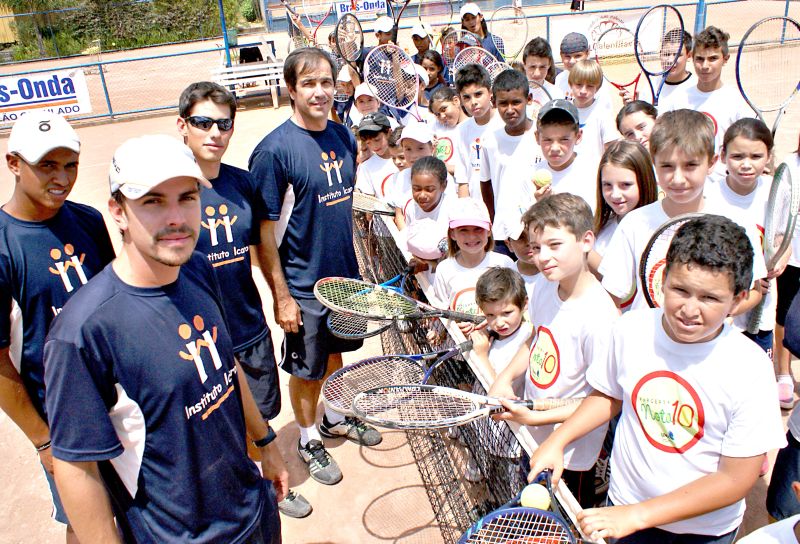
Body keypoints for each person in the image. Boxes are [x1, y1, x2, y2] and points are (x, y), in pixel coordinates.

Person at [44, 134, 288, 543]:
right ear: (118, 212)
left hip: (251, 510)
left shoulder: (197, 269)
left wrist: (266, 441)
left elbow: (225, 368)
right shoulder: (82, 332)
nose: (176, 217)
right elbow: (77, 466)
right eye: (153, 201)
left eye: (187, 197)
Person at [529, 214, 786, 542]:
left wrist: (638, 515)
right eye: (680, 290)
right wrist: (558, 440)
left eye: (710, 298)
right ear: (662, 279)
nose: (690, 309)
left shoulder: (749, 367)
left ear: (737, 300)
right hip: (622, 507)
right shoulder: (630, 329)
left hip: (701, 533)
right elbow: (608, 396)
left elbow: (735, 479)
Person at [176, 81, 311, 519]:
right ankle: (239, 494)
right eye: (202, 123)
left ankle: (267, 477)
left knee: (263, 412)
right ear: (183, 126)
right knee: (213, 426)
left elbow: (264, 245)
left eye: (223, 124)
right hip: (196, 338)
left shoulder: (242, 183)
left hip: (247, 326)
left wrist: (282, 298)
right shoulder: (169, 189)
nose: (214, 133)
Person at [248, 48, 382, 488]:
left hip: (344, 279)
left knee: (337, 355)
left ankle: (336, 418)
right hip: (303, 288)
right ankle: (308, 440)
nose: (321, 91)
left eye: (327, 82)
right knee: (306, 372)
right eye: (309, 83)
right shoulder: (272, 152)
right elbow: (264, 235)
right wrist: (282, 297)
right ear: (291, 89)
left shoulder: (344, 137)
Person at [0, 111, 115, 543]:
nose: (61, 177)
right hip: (63, 422)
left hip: (116, 402)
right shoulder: (3, 245)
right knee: (87, 526)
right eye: (47, 164)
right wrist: (43, 440)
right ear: (14, 163)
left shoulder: (87, 221)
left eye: (70, 164)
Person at [490, 193, 618, 508]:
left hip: (570, 458)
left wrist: (534, 417)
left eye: (554, 245)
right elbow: (536, 338)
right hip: (533, 433)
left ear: (586, 240)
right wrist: (506, 377)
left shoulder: (600, 317)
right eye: (535, 248)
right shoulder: (547, 285)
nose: (542, 257)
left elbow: (606, 402)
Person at [599, 109, 767, 314]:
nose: (677, 178)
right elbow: (611, 297)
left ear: (712, 163)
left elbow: (754, 291)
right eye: (667, 166)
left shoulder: (738, 221)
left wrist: (716, 316)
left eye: (690, 165)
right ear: (654, 163)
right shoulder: (634, 224)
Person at [705, 118, 784, 354]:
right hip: (722, 312)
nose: (746, 165)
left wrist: (779, 260)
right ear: (723, 155)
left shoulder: (776, 189)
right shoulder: (710, 195)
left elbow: (783, 236)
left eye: (756, 157)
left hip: (762, 311)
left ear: (768, 156)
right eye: (738, 157)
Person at [467, 266, 533, 491]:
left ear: (524, 304)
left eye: (507, 313)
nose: (499, 322)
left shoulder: (527, 339)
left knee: (508, 489)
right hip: (487, 427)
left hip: (511, 438)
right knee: (491, 479)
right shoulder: (492, 333)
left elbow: (499, 389)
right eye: (490, 315)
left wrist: (482, 355)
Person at [659, 26, 753, 178]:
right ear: (692, 58)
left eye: (713, 58)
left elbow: (752, 142)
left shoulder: (735, 101)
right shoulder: (679, 99)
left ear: (725, 59)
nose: (705, 66)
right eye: (700, 59)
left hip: (723, 183)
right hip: (686, 182)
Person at [479, 69, 542, 253]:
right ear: (494, 103)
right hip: (503, 234)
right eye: (503, 103)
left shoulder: (541, 138)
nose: (509, 109)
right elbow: (486, 185)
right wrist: (494, 220)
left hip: (537, 230)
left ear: (529, 99)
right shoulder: (490, 141)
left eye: (516, 102)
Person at [433, 197, 514, 320]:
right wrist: (454, 327)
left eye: (478, 229)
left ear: (489, 231)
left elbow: (516, 307)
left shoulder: (504, 263)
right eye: (463, 230)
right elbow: (441, 316)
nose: (471, 237)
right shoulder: (444, 269)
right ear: (452, 234)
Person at [589, 140, 658, 273]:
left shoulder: (653, 230)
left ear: (644, 181)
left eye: (625, 185)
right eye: (607, 185)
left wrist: (583, 249)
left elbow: (620, 285)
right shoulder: (603, 224)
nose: (615, 194)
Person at [533, 99, 598, 213]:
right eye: (547, 140)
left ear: (578, 136)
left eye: (564, 140)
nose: (555, 148)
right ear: (537, 137)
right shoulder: (530, 175)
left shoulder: (594, 172)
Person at [453, 63, 503, 199]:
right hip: (477, 209)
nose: (473, 102)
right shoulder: (460, 131)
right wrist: (466, 212)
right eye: (467, 97)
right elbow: (463, 180)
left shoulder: (505, 123)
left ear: (490, 92)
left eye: (478, 94)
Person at [776, 134, 800, 409]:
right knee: (785, 314)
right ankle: (783, 371)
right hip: (792, 261)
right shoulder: (790, 166)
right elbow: (778, 216)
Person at [568, 59, 619, 167]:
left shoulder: (603, 113)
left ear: (598, 88)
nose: (583, 91)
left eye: (590, 86)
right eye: (578, 84)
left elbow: (612, 149)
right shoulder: (563, 111)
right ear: (570, 84)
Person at [554, 32, 613, 112]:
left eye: (577, 56)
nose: (572, 61)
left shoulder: (597, 78)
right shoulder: (559, 79)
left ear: (587, 53)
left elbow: (605, 111)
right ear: (561, 56)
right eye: (567, 56)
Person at [355, 112, 398, 202]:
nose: (374, 146)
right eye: (368, 143)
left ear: (389, 132)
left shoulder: (405, 158)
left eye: (377, 139)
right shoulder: (366, 167)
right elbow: (367, 202)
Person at [522, 37, 565, 119]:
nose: (537, 73)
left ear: (549, 65)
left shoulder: (556, 94)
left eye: (542, 67)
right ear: (524, 65)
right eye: (532, 67)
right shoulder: (515, 91)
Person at [429, 86, 467, 174]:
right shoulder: (436, 126)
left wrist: (448, 168)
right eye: (437, 114)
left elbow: (475, 167)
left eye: (444, 109)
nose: (442, 116)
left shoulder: (471, 127)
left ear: (456, 101)